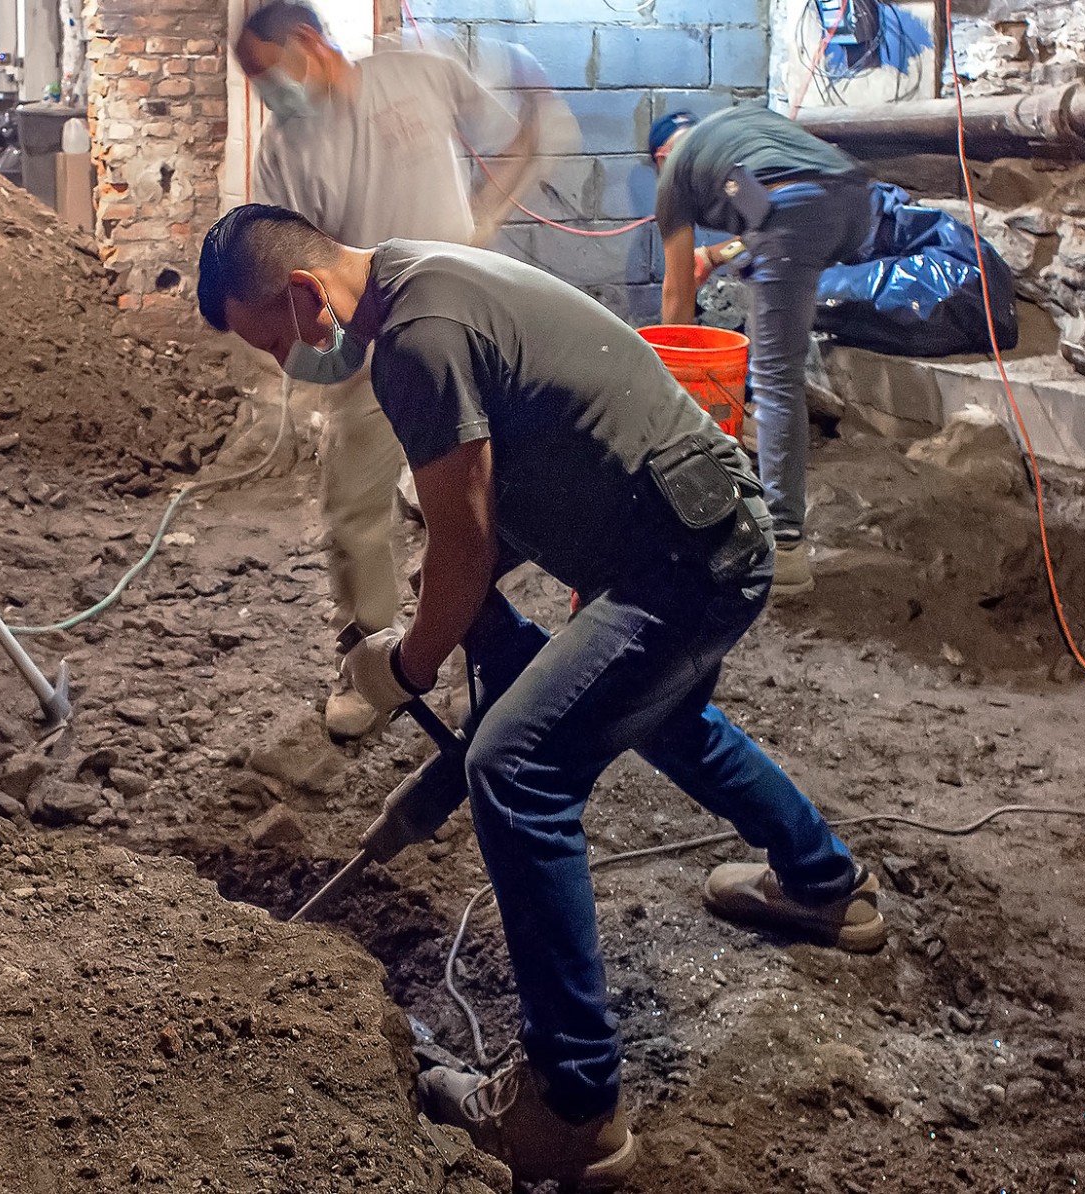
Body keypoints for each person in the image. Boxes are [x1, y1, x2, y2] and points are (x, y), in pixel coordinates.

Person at [196, 204, 886, 1189]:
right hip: (703, 533)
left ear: (304, 294)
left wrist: (406, 664)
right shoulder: (420, 274)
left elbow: (468, 545)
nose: (287, 362)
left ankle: (572, 1105)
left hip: (682, 562)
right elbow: (502, 508)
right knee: (660, 715)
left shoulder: (415, 342)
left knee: (515, 767)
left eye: (278, 339)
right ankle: (824, 886)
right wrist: (455, 626)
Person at [235, 0, 542, 739]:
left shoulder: (414, 74)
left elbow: (525, 130)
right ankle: (372, 667)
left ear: (308, 42)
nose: (267, 95)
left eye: (267, 74)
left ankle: (487, 665)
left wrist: (482, 221)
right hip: (368, 342)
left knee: (476, 505)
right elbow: (293, 266)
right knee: (355, 511)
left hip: (467, 322)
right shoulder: (283, 149)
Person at [653, 105, 874, 596]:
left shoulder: (675, 174)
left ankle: (785, 548)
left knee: (775, 379)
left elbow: (676, 292)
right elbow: (765, 206)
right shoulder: (736, 127)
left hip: (795, 211)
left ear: (663, 155)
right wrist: (718, 255)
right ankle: (771, 474)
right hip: (857, 200)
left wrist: (675, 381)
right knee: (772, 269)